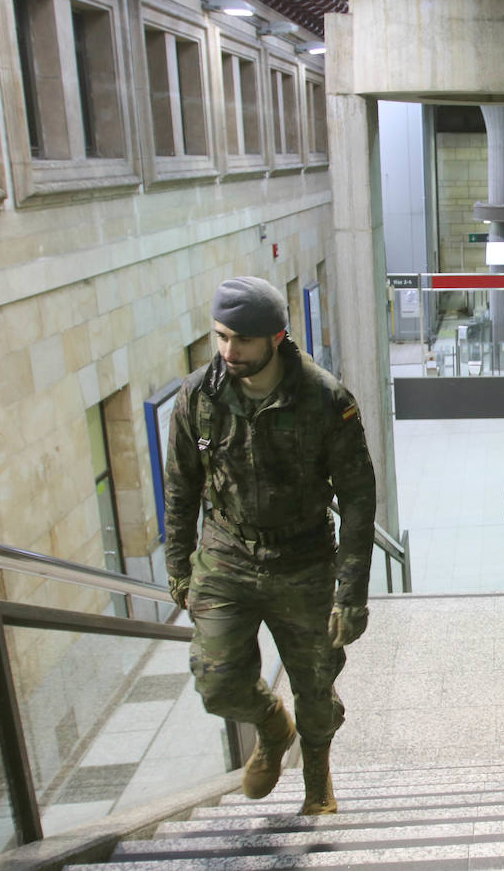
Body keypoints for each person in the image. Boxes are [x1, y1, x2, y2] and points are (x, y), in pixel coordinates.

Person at [164, 276, 376, 816]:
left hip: (303, 559)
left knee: (316, 682)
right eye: (220, 337)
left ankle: (317, 784)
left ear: (276, 337)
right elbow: (180, 487)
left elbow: (357, 500)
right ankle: (270, 725)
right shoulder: (197, 398)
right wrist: (179, 570)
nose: (228, 351)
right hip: (225, 552)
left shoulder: (326, 400)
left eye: (241, 340)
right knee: (216, 681)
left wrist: (350, 594)